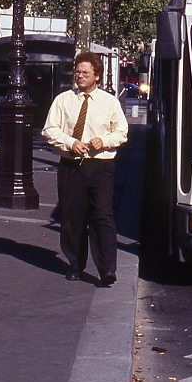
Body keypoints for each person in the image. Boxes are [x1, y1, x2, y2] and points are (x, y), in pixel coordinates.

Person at [43, 51, 128, 285]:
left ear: (97, 76)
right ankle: (75, 264)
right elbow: (50, 130)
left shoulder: (110, 102)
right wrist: (71, 143)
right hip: (72, 165)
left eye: (85, 73)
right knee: (72, 217)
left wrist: (105, 141)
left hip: (100, 166)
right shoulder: (63, 100)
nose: (79, 76)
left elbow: (121, 132)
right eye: (77, 72)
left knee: (102, 215)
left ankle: (107, 268)